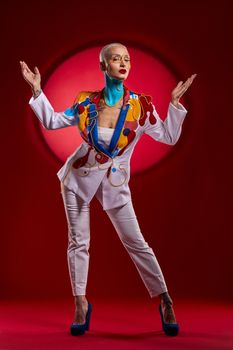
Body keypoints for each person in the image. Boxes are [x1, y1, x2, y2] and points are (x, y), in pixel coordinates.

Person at [19, 43, 196, 337]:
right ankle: (80, 303)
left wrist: (175, 104)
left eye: (127, 59)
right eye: (116, 59)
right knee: (79, 242)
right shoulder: (85, 102)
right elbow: (52, 122)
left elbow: (169, 136)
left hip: (114, 183)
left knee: (136, 242)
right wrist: (37, 90)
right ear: (104, 66)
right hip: (78, 177)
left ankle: (165, 300)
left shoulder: (141, 105)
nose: (123, 63)